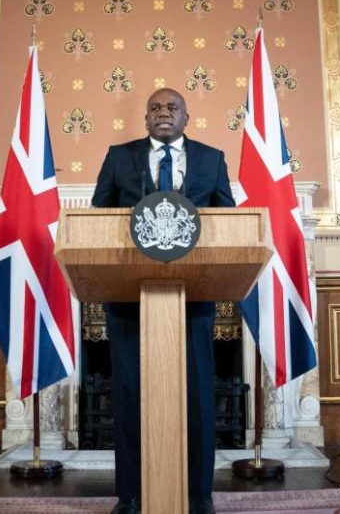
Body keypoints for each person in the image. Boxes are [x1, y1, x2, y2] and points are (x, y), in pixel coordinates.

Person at [92, 88, 235, 514]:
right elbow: (99, 219)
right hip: (127, 297)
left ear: (187, 118)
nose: (163, 113)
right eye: (155, 107)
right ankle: (129, 495)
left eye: (172, 107)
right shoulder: (119, 157)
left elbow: (228, 221)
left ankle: (199, 495)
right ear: (145, 118)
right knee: (129, 396)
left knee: (198, 397)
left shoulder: (212, 159)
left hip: (195, 299)